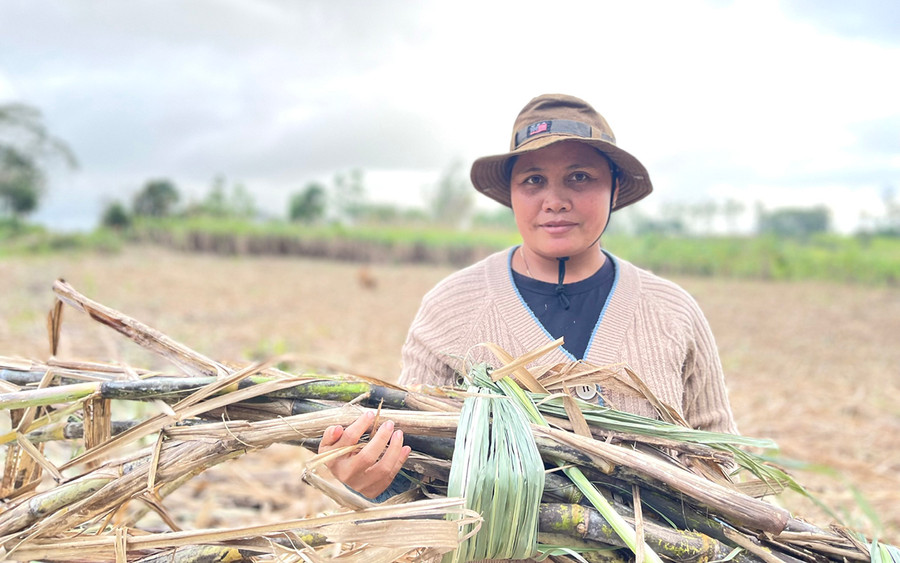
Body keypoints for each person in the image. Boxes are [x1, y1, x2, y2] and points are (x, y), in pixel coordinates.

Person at [319, 93, 738, 503]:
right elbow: (418, 467)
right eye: (533, 180)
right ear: (513, 195)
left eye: (580, 177)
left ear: (614, 188)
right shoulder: (451, 307)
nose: (554, 201)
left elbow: (720, 459)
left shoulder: (672, 310)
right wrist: (366, 482)